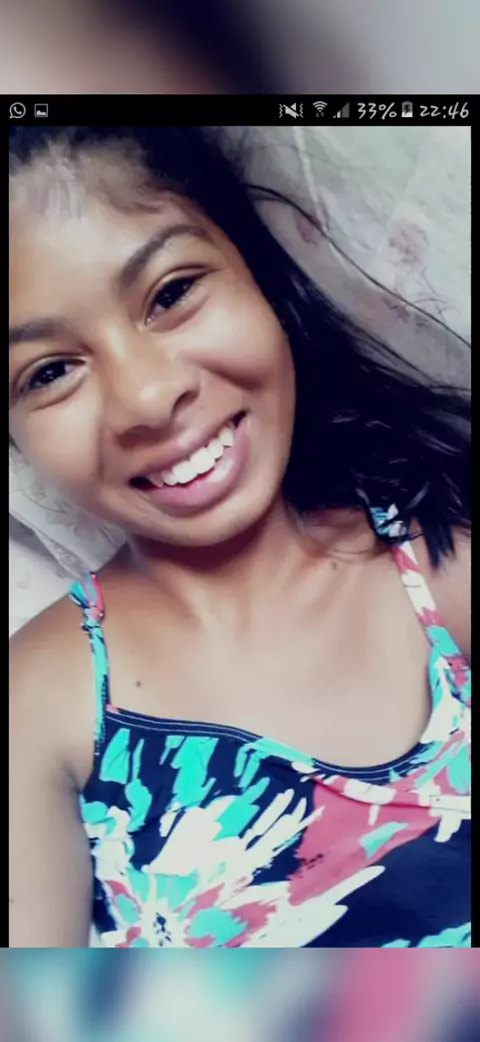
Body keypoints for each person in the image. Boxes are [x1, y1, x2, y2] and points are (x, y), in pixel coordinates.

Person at [9, 126, 471, 948]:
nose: (148, 399)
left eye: (171, 293)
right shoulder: (36, 706)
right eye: (50, 372)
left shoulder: (443, 564)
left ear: (256, 272)